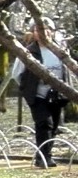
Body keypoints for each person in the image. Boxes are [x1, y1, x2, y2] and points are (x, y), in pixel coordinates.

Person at [16, 26, 68, 168]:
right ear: (34, 33)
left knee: (54, 126)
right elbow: (17, 73)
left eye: (47, 29)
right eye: (38, 30)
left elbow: (66, 71)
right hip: (37, 95)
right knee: (44, 123)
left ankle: (46, 154)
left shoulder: (59, 50)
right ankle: (43, 157)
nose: (43, 33)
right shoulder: (29, 52)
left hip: (56, 94)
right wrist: (28, 87)